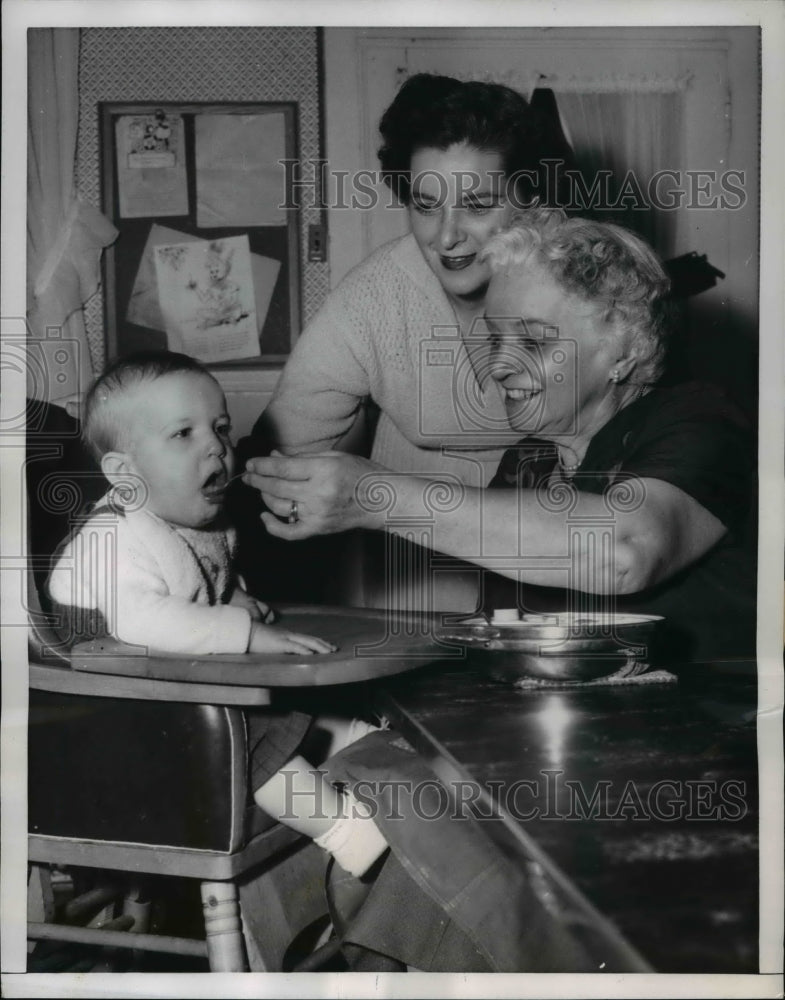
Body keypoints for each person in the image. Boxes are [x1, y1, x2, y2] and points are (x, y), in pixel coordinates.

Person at [243, 207, 756, 664]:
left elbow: (621, 551)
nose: (499, 366)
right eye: (495, 338)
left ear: (625, 353)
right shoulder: (529, 461)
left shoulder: (704, 421)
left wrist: (377, 498)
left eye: (532, 341)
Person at [47, 351, 388, 879]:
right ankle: (343, 830)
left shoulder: (191, 515)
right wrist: (244, 631)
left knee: (286, 697)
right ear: (125, 475)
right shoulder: (115, 538)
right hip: (108, 717)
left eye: (221, 427)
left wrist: (232, 598)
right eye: (183, 434)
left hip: (164, 682)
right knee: (250, 742)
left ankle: (350, 739)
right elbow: (144, 620)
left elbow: (199, 572)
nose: (216, 446)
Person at [238, 71, 573, 608]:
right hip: (410, 585)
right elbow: (283, 452)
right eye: (424, 205)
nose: (446, 236)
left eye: (479, 206)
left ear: (531, 202)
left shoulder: (583, 286)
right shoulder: (377, 296)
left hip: (560, 571)